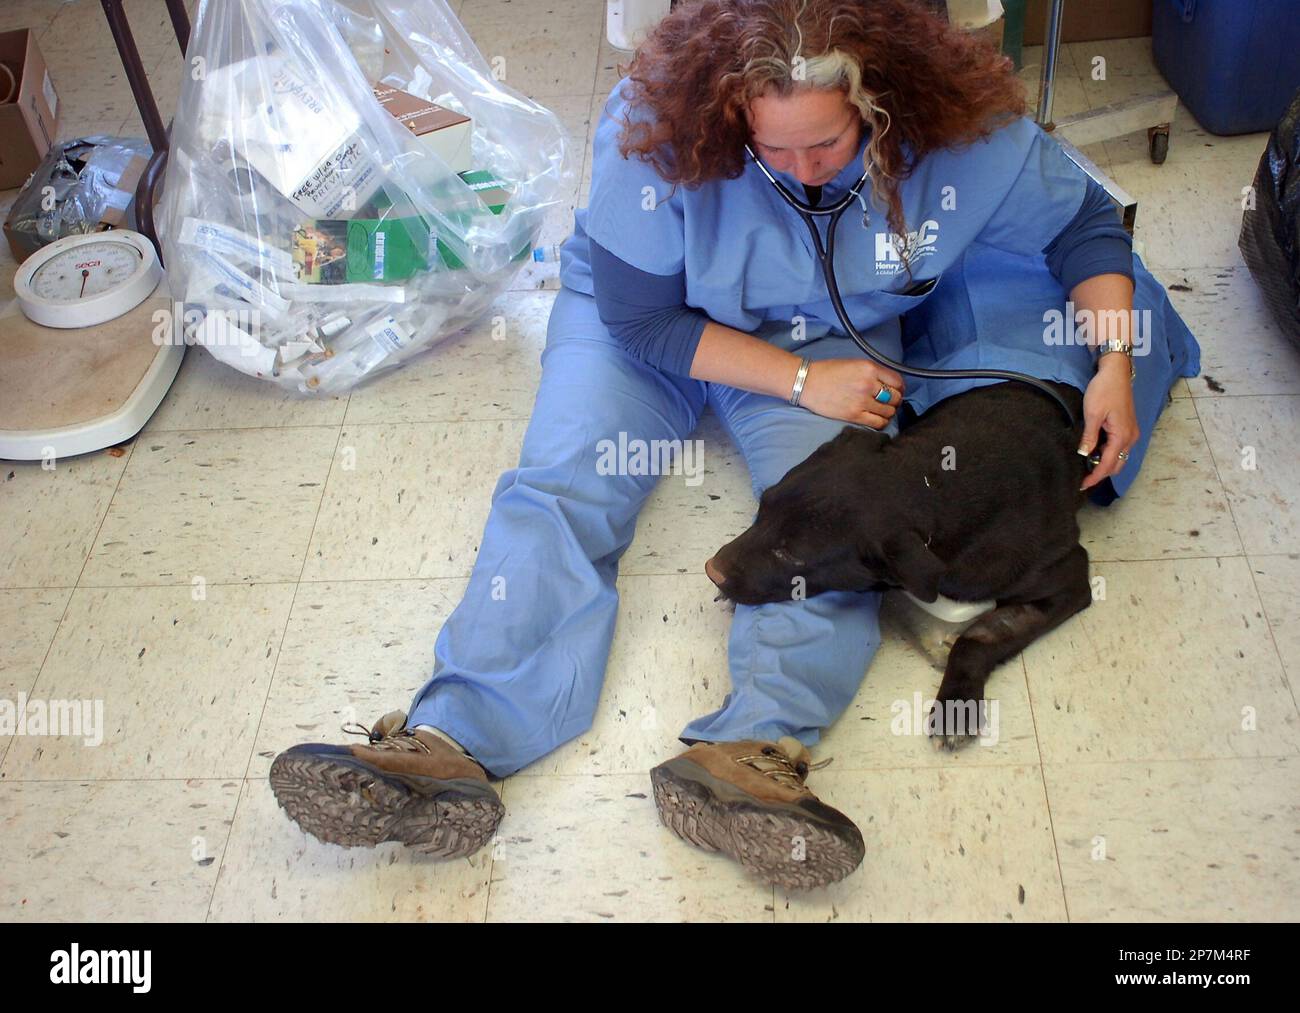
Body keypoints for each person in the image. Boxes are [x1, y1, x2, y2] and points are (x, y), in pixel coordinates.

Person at [270, 0, 1200, 890]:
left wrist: (1113, 362)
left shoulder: (960, 141)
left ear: (880, 104)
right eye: (772, 146)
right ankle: (451, 741)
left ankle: (753, 753)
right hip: (649, 332)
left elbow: (1080, 223)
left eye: (828, 143)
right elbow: (642, 319)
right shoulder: (656, 124)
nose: (800, 169)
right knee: (561, 488)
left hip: (820, 335)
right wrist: (803, 384)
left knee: (840, 530)